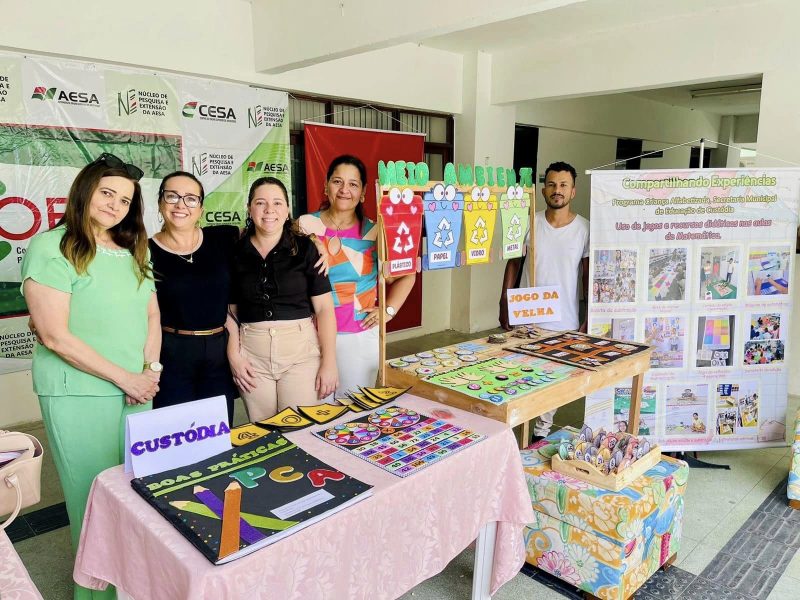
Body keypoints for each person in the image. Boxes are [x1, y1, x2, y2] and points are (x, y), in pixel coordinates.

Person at [21, 153, 160, 600]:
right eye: (107, 193)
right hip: (79, 394)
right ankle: (96, 594)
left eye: (125, 200)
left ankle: (132, 586)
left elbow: (151, 315)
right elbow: (54, 335)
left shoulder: (131, 250)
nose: (115, 205)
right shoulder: (52, 247)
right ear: (84, 191)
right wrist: (126, 378)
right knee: (94, 501)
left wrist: (149, 371)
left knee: (137, 496)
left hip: (137, 390)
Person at [299, 155, 416, 398]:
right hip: (308, 336)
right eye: (337, 181)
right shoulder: (304, 225)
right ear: (326, 186)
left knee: (353, 411)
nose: (344, 190)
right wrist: (312, 240)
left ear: (363, 193)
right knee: (312, 410)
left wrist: (388, 311)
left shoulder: (375, 232)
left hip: (358, 338)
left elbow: (408, 275)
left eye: (353, 184)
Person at [227, 177, 337, 421]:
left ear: (287, 210)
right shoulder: (235, 251)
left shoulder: (306, 249)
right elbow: (230, 311)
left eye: (277, 203)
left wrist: (329, 362)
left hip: (301, 355)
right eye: (260, 203)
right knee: (263, 431)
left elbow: (325, 309)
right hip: (252, 356)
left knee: (299, 428)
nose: (269, 210)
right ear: (249, 208)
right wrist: (234, 356)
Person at [499, 161, 589, 439]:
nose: (557, 190)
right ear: (543, 190)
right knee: (520, 379)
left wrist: (589, 315)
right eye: (551, 184)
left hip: (564, 321)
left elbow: (587, 275)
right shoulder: (529, 222)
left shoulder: (584, 229)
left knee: (552, 384)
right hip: (526, 316)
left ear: (573, 191)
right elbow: (514, 262)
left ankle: (540, 434)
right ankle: (512, 434)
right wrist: (504, 301)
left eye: (563, 185)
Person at [148, 171, 238, 423]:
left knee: (218, 432)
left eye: (190, 198)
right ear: (160, 203)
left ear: (201, 208)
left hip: (219, 352)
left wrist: (310, 238)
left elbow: (270, 229)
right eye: (172, 196)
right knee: (174, 433)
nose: (180, 204)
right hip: (171, 353)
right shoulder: (144, 251)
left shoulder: (223, 238)